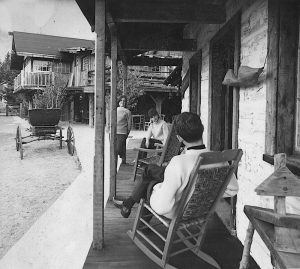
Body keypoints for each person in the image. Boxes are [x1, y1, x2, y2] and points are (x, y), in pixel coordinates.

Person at [113, 112, 238, 219]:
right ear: (202, 129)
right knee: (151, 173)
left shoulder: (179, 162)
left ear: (178, 138)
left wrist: (157, 188)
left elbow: (162, 208)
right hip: (201, 209)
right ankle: (131, 209)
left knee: (149, 182)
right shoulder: (220, 159)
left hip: (178, 211)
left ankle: (133, 211)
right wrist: (205, 198)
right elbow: (233, 189)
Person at [116, 95, 132, 164]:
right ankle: (123, 162)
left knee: (119, 149)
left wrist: (127, 133)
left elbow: (129, 124)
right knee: (115, 149)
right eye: (121, 100)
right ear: (118, 101)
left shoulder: (127, 112)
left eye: (124, 101)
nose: (122, 102)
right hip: (113, 132)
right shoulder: (114, 110)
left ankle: (123, 161)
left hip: (122, 132)